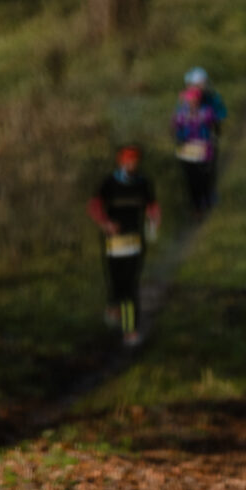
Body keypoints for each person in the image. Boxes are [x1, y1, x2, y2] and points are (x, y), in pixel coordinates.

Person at [86, 144, 160, 346]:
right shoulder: (109, 183)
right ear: (121, 161)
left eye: (135, 160)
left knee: (130, 286)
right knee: (116, 280)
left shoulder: (143, 182)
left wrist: (153, 220)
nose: (131, 164)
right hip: (113, 243)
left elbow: (152, 204)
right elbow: (94, 205)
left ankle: (130, 330)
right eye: (128, 160)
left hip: (135, 242)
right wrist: (105, 223)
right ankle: (113, 305)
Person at [172, 67, 228, 219]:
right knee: (191, 177)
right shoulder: (183, 104)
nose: (199, 88)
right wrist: (179, 141)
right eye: (196, 84)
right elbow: (176, 124)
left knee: (207, 173)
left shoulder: (211, 100)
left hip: (206, 145)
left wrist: (214, 133)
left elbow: (219, 117)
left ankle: (208, 199)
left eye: (202, 84)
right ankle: (196, 206)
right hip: (187, 147)